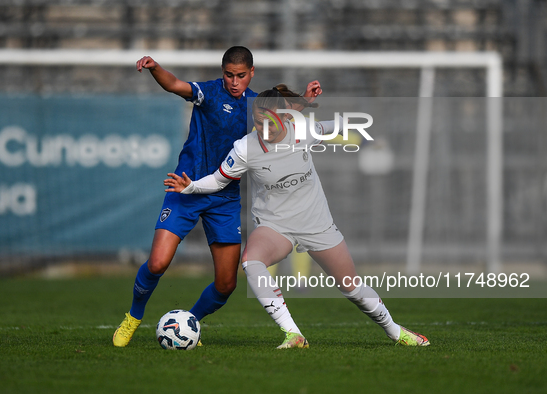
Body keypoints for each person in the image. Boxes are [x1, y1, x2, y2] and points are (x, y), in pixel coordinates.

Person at [164, 88, 430, 348]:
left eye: (271, 122)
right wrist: (191, 187)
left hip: (316, 223)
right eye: (258, 122)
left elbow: (338, 125)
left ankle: (397, 333)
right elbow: (219, 180)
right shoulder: (245, 148)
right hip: (275, 225)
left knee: (353, 289)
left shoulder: (304, 130)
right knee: (251, 261)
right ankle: (293, 335)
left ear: (287, 117)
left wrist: (368, 133)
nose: (264, 128)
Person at [113, 46, 322, 347]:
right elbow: (174, 84)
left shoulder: (255, 104)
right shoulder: (208, 93)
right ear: (222, 73)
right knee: (158, 263)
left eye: (240, 76)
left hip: (224, 197)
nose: (234, 82)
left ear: (251, 74)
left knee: (226, 284)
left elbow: (280, 117)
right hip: (185, 187)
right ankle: (132, 317)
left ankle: (189, 323)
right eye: (228, 75)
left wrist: (305, 100)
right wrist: (155, 67)